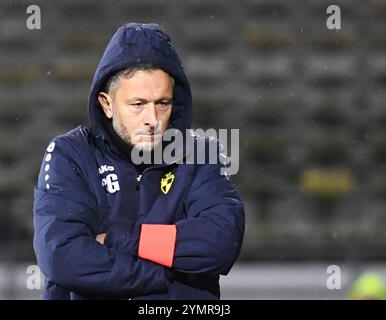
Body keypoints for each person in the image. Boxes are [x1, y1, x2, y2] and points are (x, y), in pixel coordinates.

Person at [33, 22, 245, 300]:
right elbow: (61, 256)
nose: (153, 120)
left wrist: (121, 240)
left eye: (162, 103)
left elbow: (221, 243)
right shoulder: (69, 153)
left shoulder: (200, 153)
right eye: (138, 104)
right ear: (106, 104)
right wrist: (161, 275)